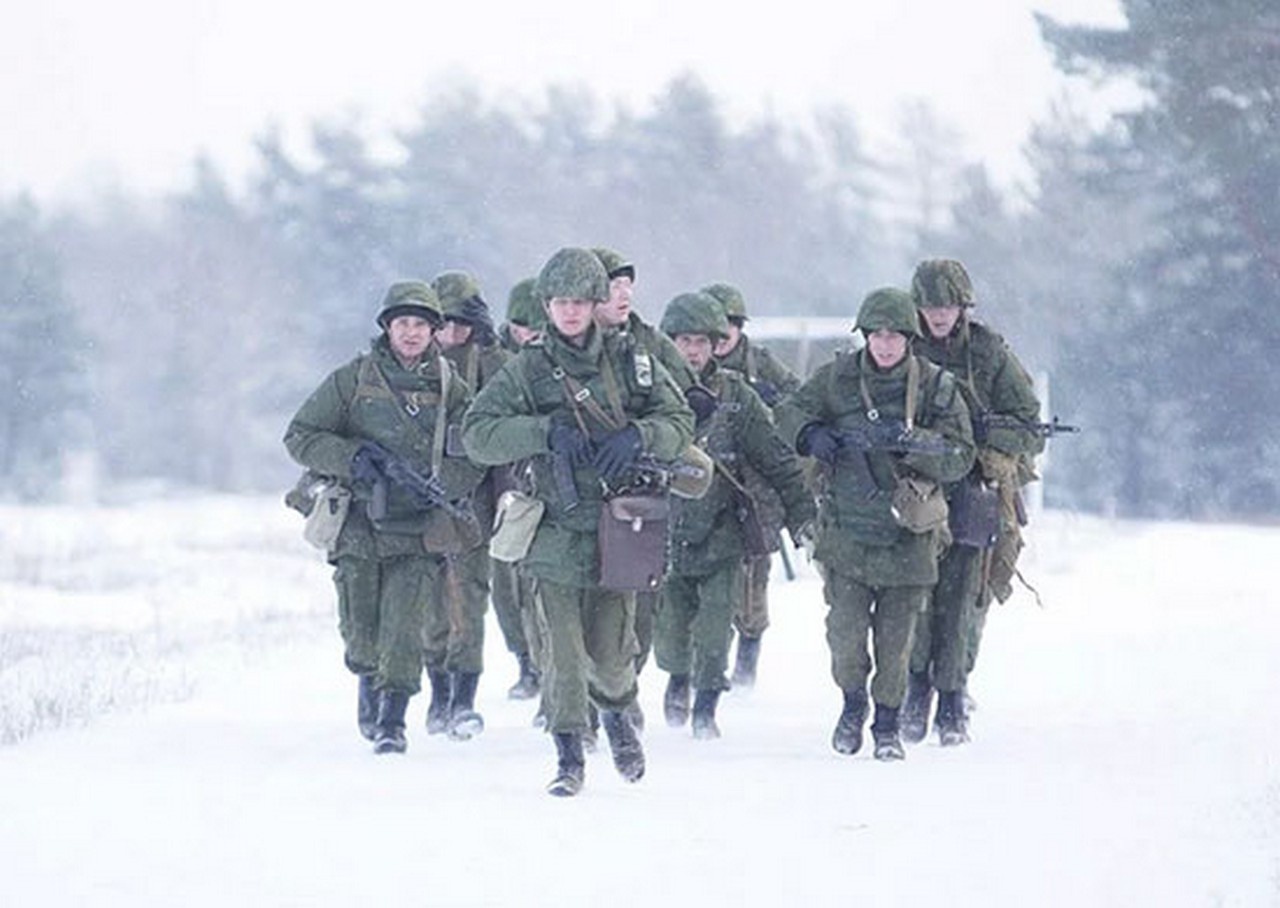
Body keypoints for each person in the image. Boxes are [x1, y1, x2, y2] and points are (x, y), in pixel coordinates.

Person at [463, 247, 694, 796]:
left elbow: (679, 416)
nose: (569, 312)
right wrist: (543, 432)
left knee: (613, 654)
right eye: (560, 302)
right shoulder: (530, 369)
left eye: (579, 301)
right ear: (547, 305)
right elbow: (478, 434)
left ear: (596, 304)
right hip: (555, 529)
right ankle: (569, 754)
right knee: (561, 653)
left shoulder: (632, 362)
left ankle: (618, 717)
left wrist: (638, 435)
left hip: (621, 527)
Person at [284, 280, 484, 754]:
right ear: (387, 328)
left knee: (404, 623)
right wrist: (353, 458)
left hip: (417, 526)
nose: (411, 333)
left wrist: (443, 486)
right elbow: (301, 435)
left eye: (420, 324)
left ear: (435, 331)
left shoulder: (451, 388)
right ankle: (368, 685)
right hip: (357, 522)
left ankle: (393, 719)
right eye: (402, 324)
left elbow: (477, 447)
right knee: (361, 626)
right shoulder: (353, 379)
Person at [776, 288, 974, 761]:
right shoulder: (838, 378)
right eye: (877, 335)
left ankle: (886, 724)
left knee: (897, 641)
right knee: (844, 637)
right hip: (847, 533)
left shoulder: (935, 388)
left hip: (909, 536)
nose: (885, 345)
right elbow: (788, 413)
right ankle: (852, 704)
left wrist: (912, 443)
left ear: (909, 338)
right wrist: (811, 434)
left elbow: (961, 453)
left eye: (894, 336)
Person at [655, 291, 815, 738]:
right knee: (668, 630)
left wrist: (802, 512)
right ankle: (677, 679)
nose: (693, 351)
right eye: (684, 341)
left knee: (715, 625)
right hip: (662, 527)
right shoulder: (647, 390)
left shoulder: (736, 395)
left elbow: (774, 457)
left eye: (702, 342)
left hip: (722, 527)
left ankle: (706, 706)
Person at [902, 259, 1045, 746]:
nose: (938, 315)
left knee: (965, 597)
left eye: (946, 305)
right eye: (929, 305)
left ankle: (952, 695)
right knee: (914, 593)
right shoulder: (898, 346)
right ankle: (915, 687)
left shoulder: (988, 353)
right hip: (916, 485)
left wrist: (984, 430)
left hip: (975, 487)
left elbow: (1029, 426)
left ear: (962, 306)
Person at [591, 247, 700, 695]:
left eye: (627, 287)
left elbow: (685, 409)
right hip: (576, 497)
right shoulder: (551, 352)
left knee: (639, 608)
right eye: (614, 286)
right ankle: (576, 700)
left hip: (641, 497)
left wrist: (646, 434)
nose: (623, 296)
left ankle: (621, 693)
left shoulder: (650, 346)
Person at [703, 281, 803, 689]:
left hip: (756, 490)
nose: (725, 334)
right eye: (718, 325)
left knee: (753, 576)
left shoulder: (761, 365)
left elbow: (799, 403)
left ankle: (747, 655)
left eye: (733, 324)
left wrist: (770, 401)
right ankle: (707, 661)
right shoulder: (687, 365)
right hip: (708, 484)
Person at [424, 269, 508, 738]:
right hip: (419, 500)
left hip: (474, 503)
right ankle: (437, 692)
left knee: (468, 600)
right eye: (444, 323)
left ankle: (461, 700)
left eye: (462, 323)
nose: (452, 333)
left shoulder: (492, 364)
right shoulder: (412, 365)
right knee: (427, 605)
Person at [490, 275, 545, 701]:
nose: (530, 335)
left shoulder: (551, 364)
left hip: (543, 487)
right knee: (505, 585)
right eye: (523, 326)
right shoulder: (492, 363)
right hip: (498, 490)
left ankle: (548, 670)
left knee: (540, 586)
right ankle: (525, 661)